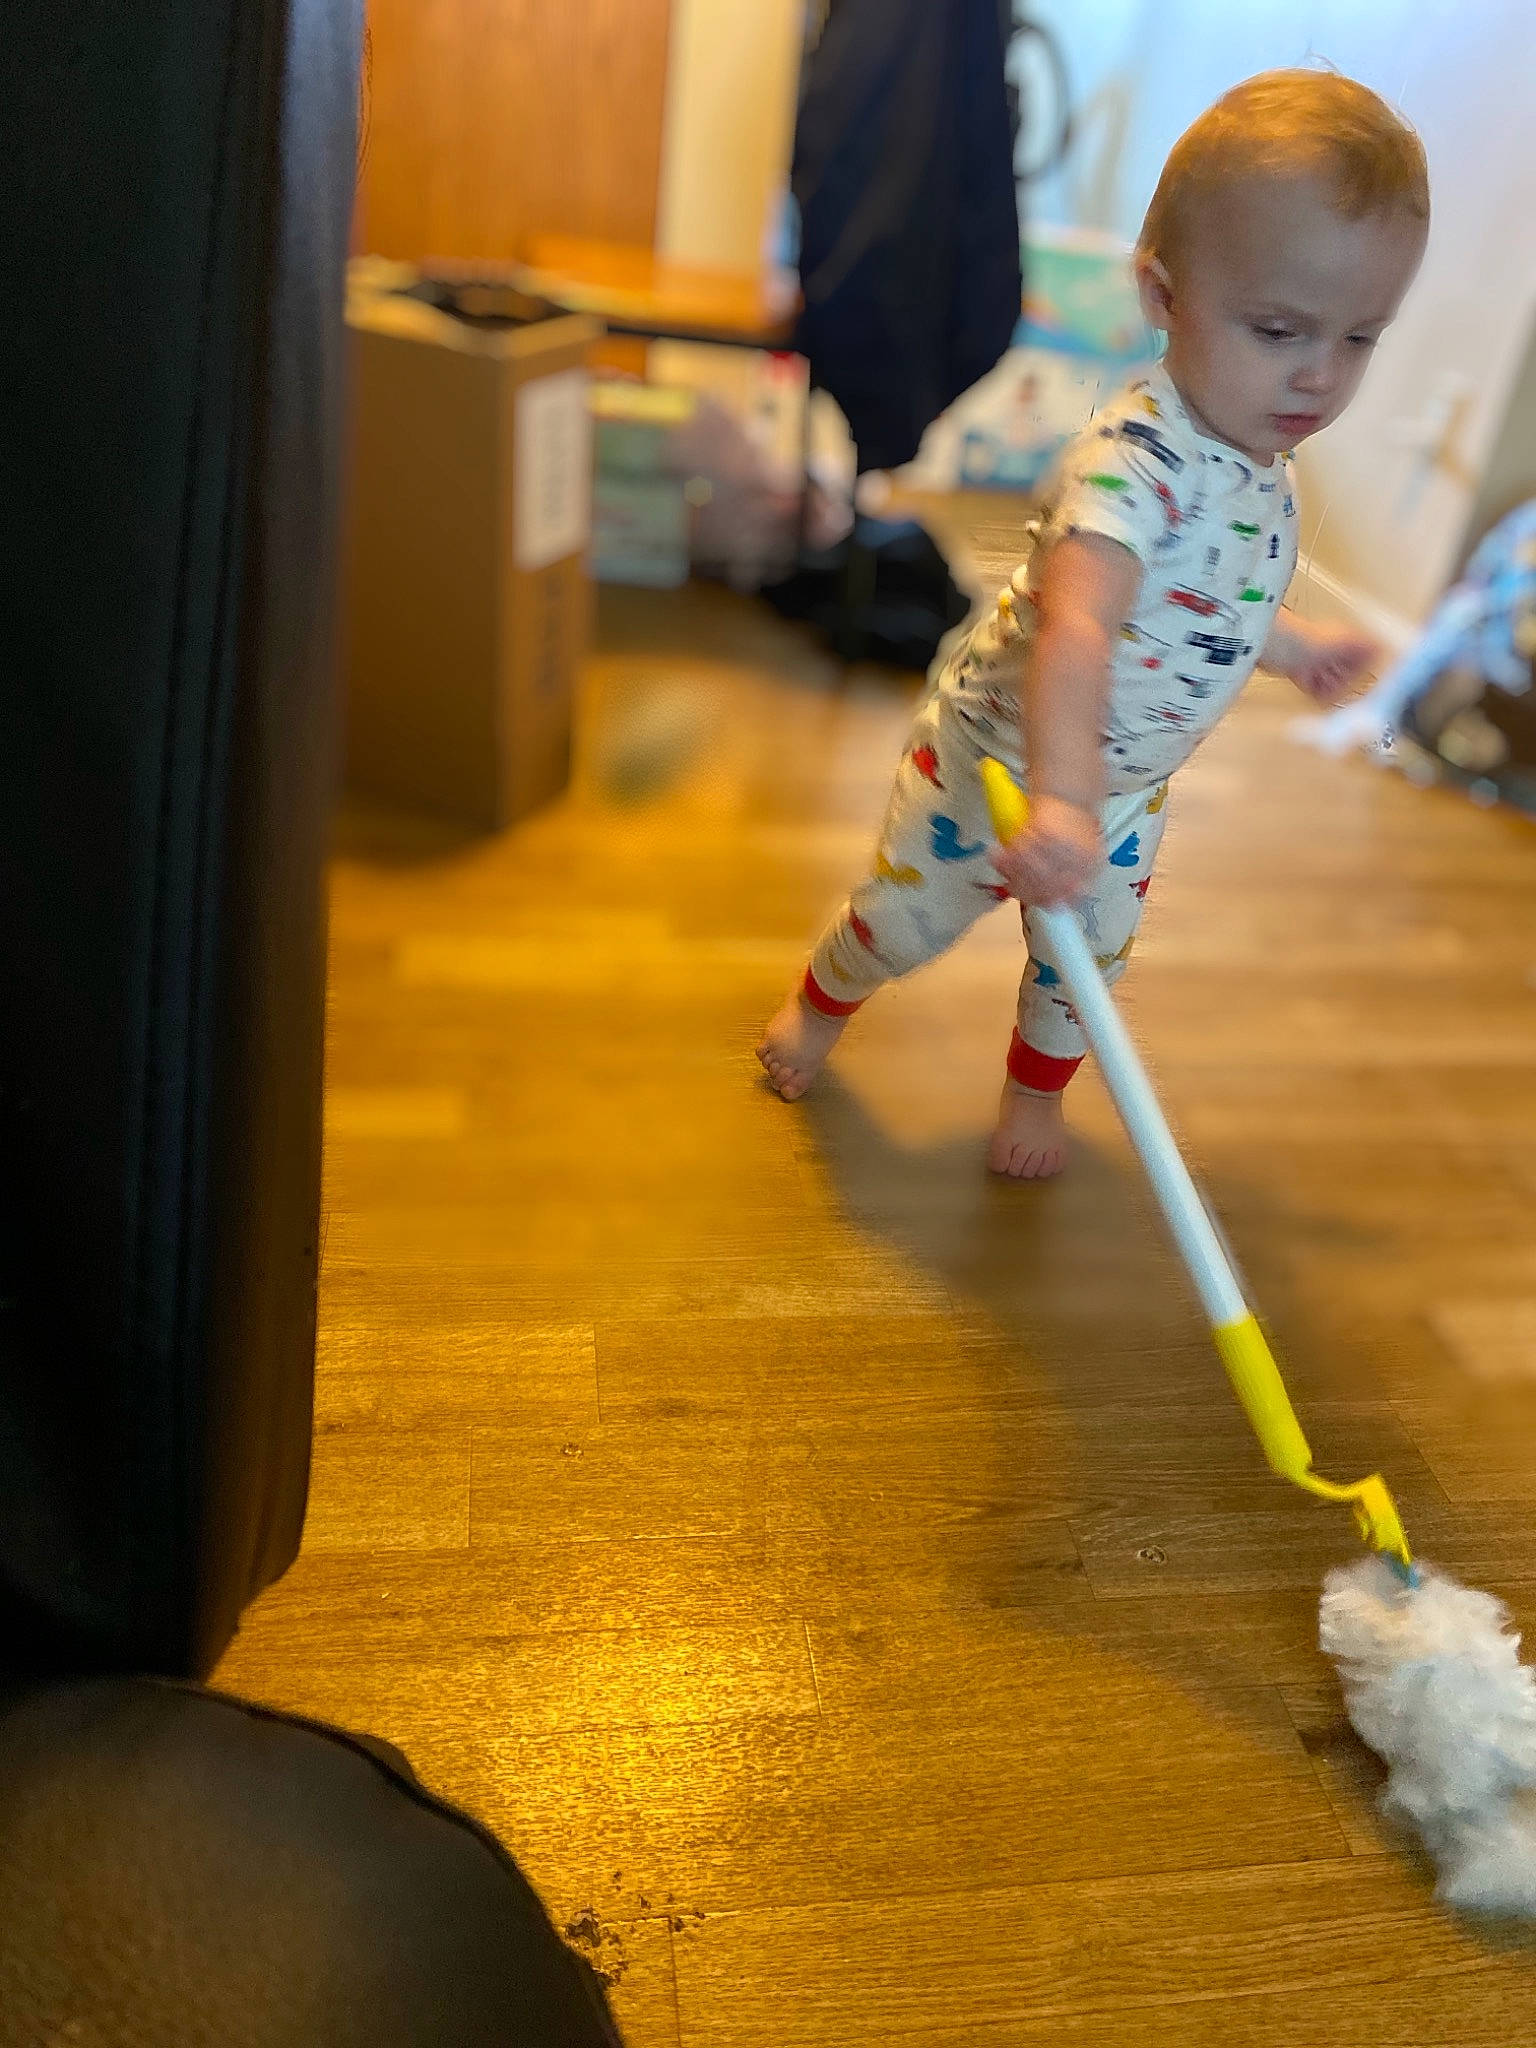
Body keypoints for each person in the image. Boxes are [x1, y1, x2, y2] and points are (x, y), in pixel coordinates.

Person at [757, 68, 1430, 1176]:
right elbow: (1078, 633)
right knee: (903, 919)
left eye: (1361, 338)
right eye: (1279, 329)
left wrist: (1298, 647)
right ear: (1163, 295)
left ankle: (1034, 1098)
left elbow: (1218, 604)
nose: (1320, 373)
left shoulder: (1261, 458)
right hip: (1008, 761)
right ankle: (823, 1007)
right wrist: (1058, 801)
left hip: (1117, 790)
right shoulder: (1131, 471)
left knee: (1085, 970)